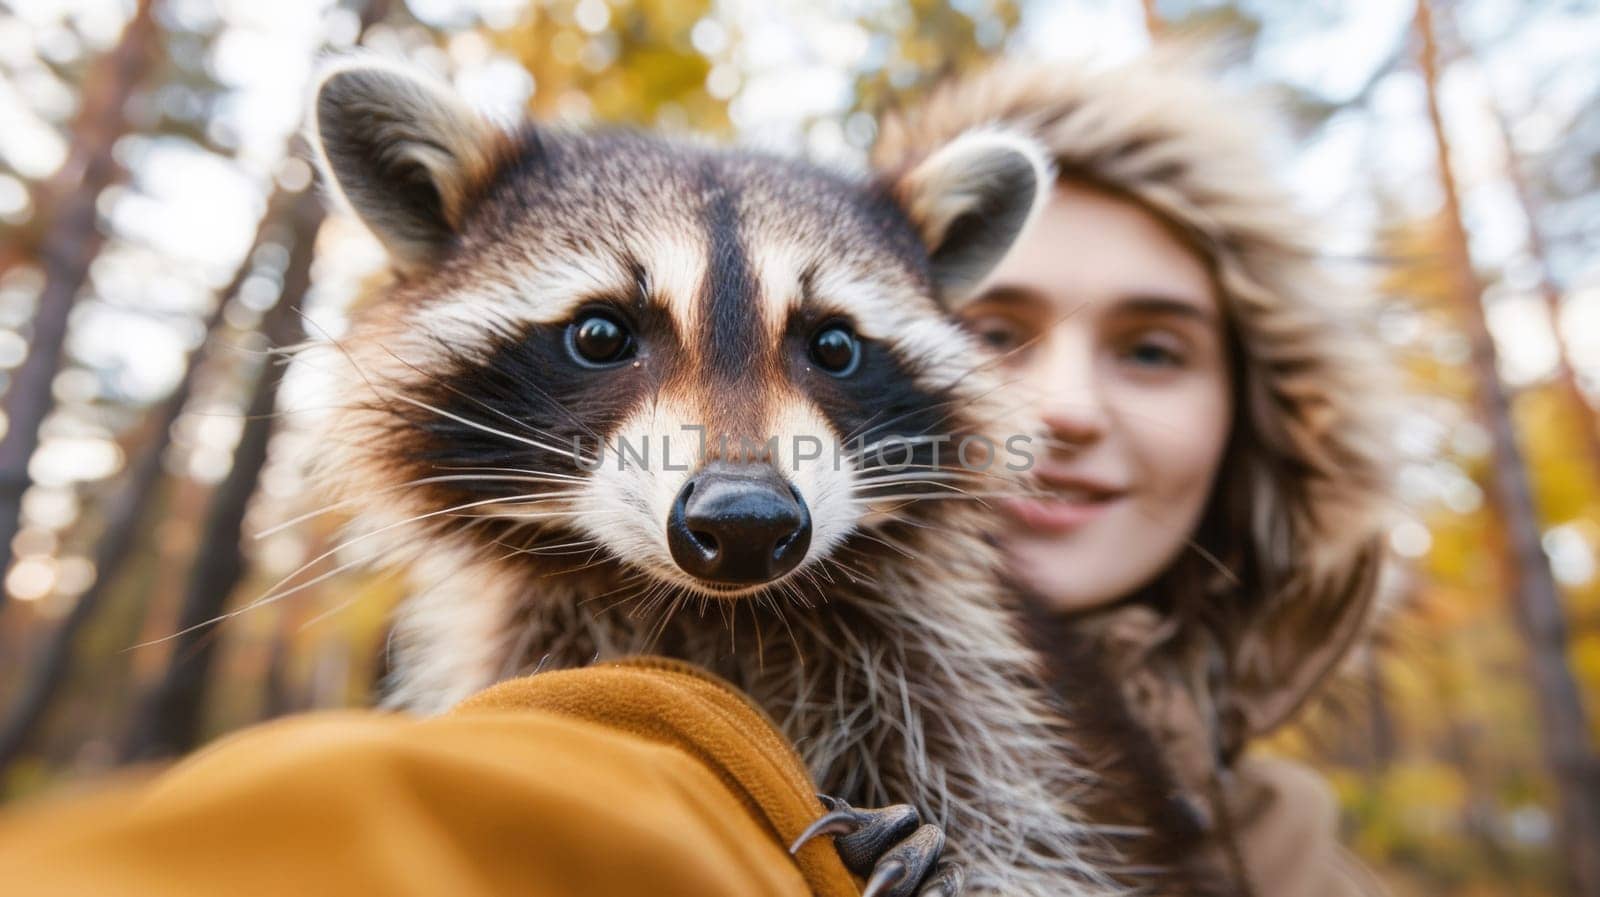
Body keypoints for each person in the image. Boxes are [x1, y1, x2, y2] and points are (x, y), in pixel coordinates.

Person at [874, 48, 1394, 897]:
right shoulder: (672, 759)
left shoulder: (1306, 866)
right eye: (993, 334)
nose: (1065, 410)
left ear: (1254, 428)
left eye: (1152, 350)